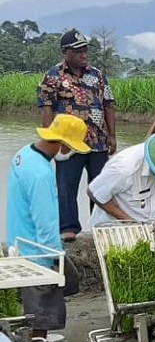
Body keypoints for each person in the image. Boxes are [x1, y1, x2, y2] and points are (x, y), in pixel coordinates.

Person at [6, 115, 91, 338]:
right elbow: (45, 224)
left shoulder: (24, 154)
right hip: (37, 253)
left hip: (18, 241)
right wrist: (54, 258)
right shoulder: (41, 174)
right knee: (41, 315)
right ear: (62, 144)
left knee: (66, 284)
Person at [37, 30, 116, 242]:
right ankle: (68, 227)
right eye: (78, 51)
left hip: (98, 141)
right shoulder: (53, 76)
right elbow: (46, 107)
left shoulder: (97, 75)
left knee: (100, 185)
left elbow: (109, 105)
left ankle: (99, 226)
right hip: (68, 143)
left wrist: (112, 136)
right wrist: (52, 138)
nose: (84, 55)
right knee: (66, 185)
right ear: (65, 52)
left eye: (85, 50)